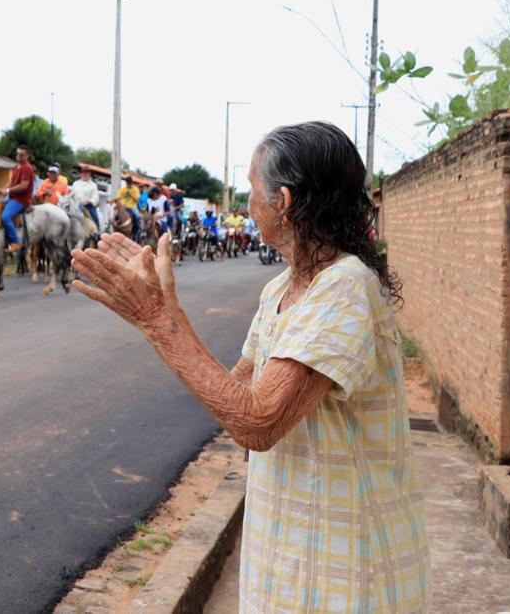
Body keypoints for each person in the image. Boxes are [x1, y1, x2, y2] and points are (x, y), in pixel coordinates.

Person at [71, 121, 429, 612]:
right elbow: (236, 392)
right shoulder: (282, 288)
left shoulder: (344, 286)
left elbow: (256, 422)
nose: (247, 202)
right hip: (290, 561)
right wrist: (166, 305)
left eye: (251, 191)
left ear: (282, 202)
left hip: (346, 572)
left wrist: (155, 321)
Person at [0, 144, 36, 252]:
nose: (18, 156)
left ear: (27, 156)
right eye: (17, 154)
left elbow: (24, 186)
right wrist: (2, 190)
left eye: (21, 155)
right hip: (12, 197)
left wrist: (8, 191)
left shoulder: (27, 168)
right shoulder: (17, 166)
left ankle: (15, 242)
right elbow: (12, 181)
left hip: (21, 199)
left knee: (5, 217)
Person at [108, 175, 141, 242]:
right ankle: (112, 229)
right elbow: (118, 197)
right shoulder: (123, 189)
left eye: (129, 183)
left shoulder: (135, 189)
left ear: (132, 182)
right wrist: (111, 200)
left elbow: (137, 201)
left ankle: (136, 233)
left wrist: (131, 195)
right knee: (113, 216)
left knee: (138, 217)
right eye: (127, 183)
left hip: (132, 206)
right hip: (124, 206)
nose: (128, 184)